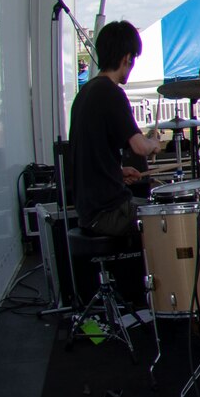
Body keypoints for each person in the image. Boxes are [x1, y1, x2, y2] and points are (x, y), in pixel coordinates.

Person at [69, 19, 166, 238]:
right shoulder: (111, 93)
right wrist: (154, 142)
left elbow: (89, 157)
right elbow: (140, 147)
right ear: (127, 58)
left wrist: (117, 174)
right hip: (109, 214)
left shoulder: (85, 93)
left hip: (88, 212)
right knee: (168, 219)